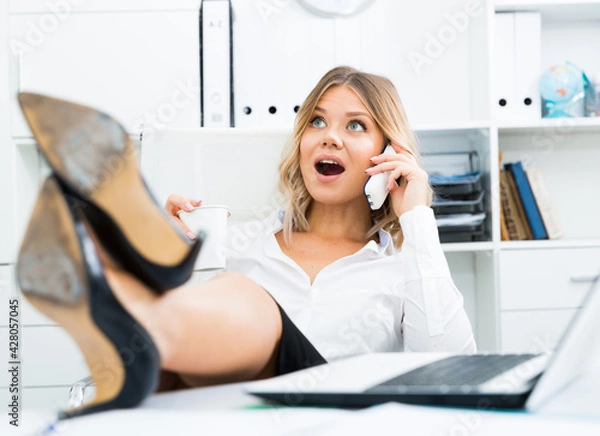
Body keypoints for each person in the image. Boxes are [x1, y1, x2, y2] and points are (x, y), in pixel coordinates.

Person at [16, 66, 475, 419]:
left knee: (249, 296)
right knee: (206, 319)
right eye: (317, 121)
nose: (330, 137)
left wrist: (415, 217)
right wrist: (164, 247)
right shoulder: (243, 242)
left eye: (355, 126)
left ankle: (127, 308)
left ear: (389, 153)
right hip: (233, 415)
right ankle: (129, 300)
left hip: (331, 417)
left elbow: (454, 368)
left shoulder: (405, 265)